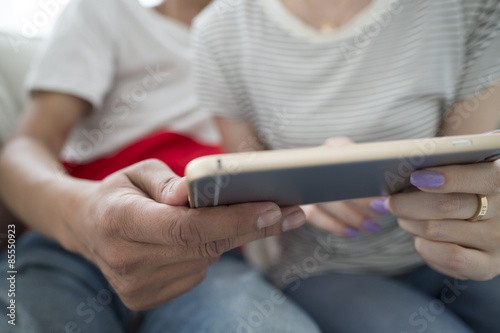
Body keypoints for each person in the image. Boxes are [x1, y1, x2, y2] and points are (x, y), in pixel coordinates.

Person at [0, 0, 321, 332]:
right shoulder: (102, 12)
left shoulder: (266, 41)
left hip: (211, 256)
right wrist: (83, 217)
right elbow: (26, 147)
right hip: (66, 244)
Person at [191, 0, 500, 332]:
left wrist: (480, 209)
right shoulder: (221, 28)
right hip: (324, 268)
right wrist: (307, 183)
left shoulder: (472, 7)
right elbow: (242, 185)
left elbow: (467, 167)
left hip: (452, 247)